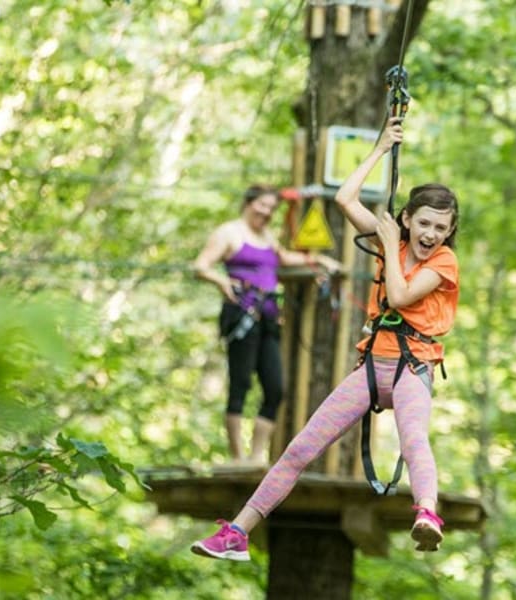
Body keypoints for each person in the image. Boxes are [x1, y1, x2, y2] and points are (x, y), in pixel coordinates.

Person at [191, 117, 460, 559]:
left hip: (413, 366)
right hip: (373, 366)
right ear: (408, 218)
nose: (431, 235)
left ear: (449, 232)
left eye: (441, 228)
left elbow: (398, 294)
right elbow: (344, 198)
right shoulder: (393, 238)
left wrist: (391, 243)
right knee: (300, 448)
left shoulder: (444, 262)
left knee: (414, 440)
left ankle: (427, 514)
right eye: (424, 224)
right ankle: (238, 532)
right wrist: (378, 149)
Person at [193, 184, 342, 466]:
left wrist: (317, 261)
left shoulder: (267, 236)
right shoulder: (229, 233)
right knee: (241, 383)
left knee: (275, 388)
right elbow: (200, 266)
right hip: (242, 315)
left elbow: (284, 258)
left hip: (269, 317)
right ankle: (238, 457)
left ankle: (257, 456)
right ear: (249, 203)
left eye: (271, 208)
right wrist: (222, 281)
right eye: (262, 205)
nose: (266, 212)